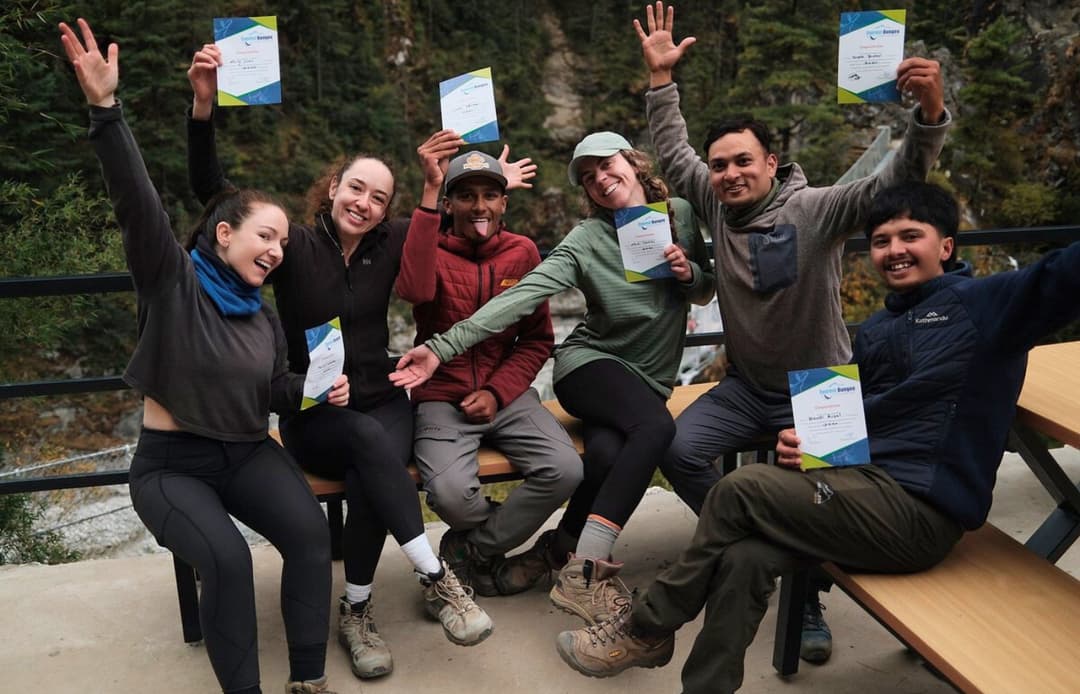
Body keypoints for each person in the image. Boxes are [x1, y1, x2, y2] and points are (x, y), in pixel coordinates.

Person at [553, 180, 1080, 693]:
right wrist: (811, 444)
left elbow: (1064, 274)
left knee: (741, 488)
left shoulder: (988, 306)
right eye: (880, 241)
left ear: (945, 245)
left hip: (922, 513)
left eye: (909, 236)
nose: (894, 251)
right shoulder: (874, 330)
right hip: (861, 494)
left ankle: (645, 629)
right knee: (744, 558)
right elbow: (849, 421)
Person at [184, 44, 539, 680]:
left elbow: (456, 227)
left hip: (382, 394)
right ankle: (434, 576)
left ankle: (357, 611)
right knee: (376, 455)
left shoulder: (396, 238)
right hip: (315, 405)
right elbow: (215, 195)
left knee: (380, 465)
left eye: (379, 197)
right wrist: (204, 109)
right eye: (357, 189)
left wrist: (482, 189)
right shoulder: (291, 244)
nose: (366, 204)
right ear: (334, 187)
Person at [635, 1, 952, 661]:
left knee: (820, 496)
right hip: (747, 385)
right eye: (720, 165)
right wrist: (662, 83)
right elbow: (674, 150)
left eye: (742, 161)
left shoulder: (816, 209)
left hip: (820, 390)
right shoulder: (717, 204)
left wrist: (927, 119)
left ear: (771, 161)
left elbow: (893, 183)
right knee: (681, 449)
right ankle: (740, 548)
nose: (728, 173)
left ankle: (805, 598)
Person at [59, 19, 342, 694]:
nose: (276, 251)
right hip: (171, 466)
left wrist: (317, 387)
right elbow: (137, 204)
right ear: (223, 234)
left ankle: (309, 680)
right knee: (227, 561)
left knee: (308, 536)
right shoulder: (173, 279)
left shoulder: (262, 316)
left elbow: (274, 390)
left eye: (282, 242)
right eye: (264, 236)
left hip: (247, 452)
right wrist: (106, 109)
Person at [391, 131, 715, 625]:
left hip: (646, 380)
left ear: (632, 162)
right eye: (588, 179)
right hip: (592, 366)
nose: (601, 181)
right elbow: (517, 300)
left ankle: (549, 552)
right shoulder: (585, 240)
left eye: (606, 167)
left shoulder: (682, 215)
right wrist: (439, 349)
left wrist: (689, 271)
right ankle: (585, 572)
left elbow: (706, 291)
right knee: (656, 431)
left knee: (605, 455)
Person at [395, 134, 583, 596]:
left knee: (566, 469)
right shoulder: (429, 249)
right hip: (441, 395)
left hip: (510, 394)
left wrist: (498, 392)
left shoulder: (522, 253)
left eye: (489, 195)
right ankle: (494, 545)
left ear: (504, 202)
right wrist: (427, 193)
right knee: (451, 496)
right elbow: (414, 291)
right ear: (450, 204)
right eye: (466, 195)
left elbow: (537, 339)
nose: (479, 206)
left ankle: (469, 551)